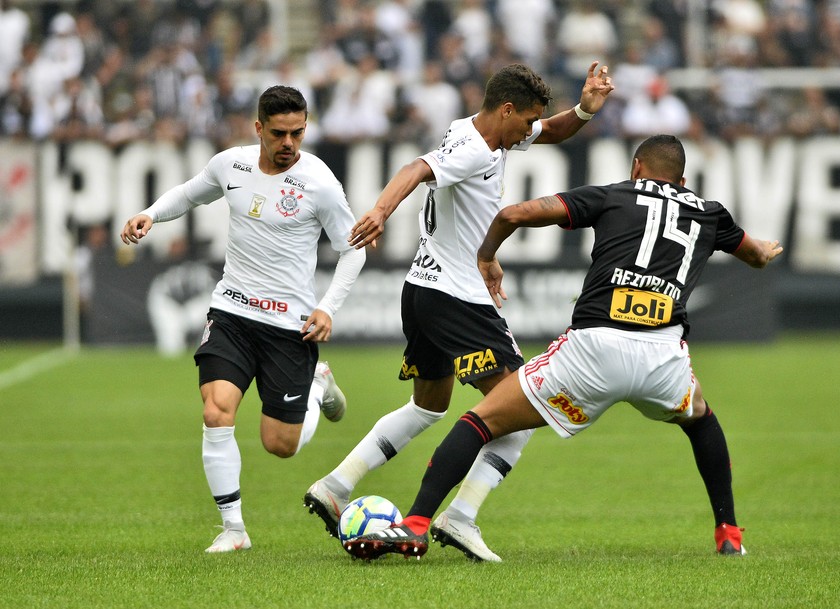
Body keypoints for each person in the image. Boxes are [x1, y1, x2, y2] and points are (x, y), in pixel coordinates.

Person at [344, 134, 783, 560]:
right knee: (702, 421)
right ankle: (728, 533)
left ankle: (417, 522)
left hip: (593, 350)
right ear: (683, 181)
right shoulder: (709, 213)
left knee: (483, 419)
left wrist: (486, 255)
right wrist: (764, 249)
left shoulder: (613, 195)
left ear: (636, 168)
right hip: (663, 357)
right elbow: (755, 255)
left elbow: (513, 214)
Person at [303, 61, 615, 562]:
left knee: (427, 407)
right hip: (458, 299)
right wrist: (380, 211)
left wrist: (584, 109)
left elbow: (553, 130)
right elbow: (414, 170)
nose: (530, 131)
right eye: (526, 120)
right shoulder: (473, 148)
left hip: (422, 290)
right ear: (506, 109)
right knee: (524, 410)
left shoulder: (484, 131)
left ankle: (336, 485)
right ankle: (459, 517)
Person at [120, 85, 365, 553]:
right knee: (216, 411)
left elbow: (353, 250)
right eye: (278, 133)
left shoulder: (320, 183)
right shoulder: (230, 165)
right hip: (232, 312)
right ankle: (234, 530)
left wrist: (327, 308)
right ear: (258, 128)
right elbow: (189, 194)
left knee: (279, 444)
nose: (288, 142)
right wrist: (149, 214)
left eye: (297, 132)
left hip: (288, 326)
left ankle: (317, 385)